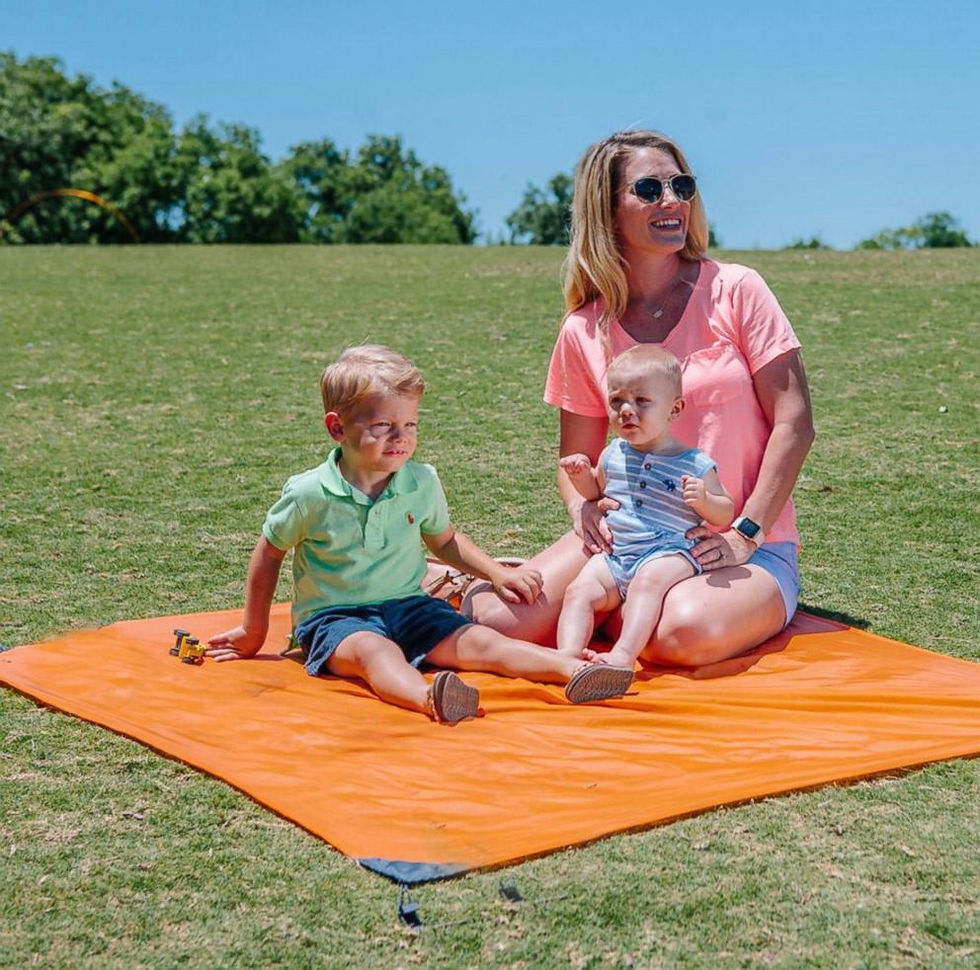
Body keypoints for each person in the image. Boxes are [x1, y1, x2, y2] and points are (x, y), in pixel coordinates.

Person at [469, 130, 815, 667]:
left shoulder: (738, 289)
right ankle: (447, 578)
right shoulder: (584, 329)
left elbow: (795, 423)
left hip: (744, 544)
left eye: (682, 185)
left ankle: (624, 609)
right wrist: (582, 508)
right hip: (630, 537)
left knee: (678, 634)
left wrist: (746, 533)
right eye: (650, 189)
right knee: (495, 622)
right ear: (607, 211)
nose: (672, 200)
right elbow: (573, 460)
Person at [207, 344, 633, 723]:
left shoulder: (420, 481)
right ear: (337, 428)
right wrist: (253, 629)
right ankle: (431, 697)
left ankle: (573, 669)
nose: (401, 439)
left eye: (410, 425)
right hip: (335, 619)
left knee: (480, 641)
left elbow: (444, 540)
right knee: (376, 655)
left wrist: (496, 574)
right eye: (383, 426)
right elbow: (269, 553)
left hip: (410, 606)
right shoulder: (309, 493)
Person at [557, 344, 734, 668]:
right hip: (618, 551)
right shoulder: (614, 454)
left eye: (641, 401)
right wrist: (582, 477)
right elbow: (597, 491)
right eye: (616, 400)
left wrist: (705, 501)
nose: (626, 409)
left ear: (675, 409)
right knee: (579, 591)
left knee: (646, 585)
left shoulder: (694, 464)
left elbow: (726, 511)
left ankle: (622, 658)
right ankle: (566, 661)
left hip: (668, 551)